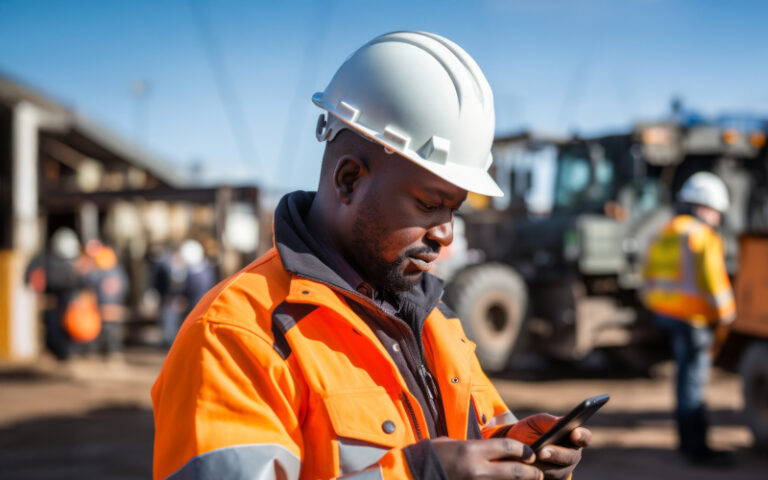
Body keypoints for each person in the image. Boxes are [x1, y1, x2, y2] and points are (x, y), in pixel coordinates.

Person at [152, 31, 591, 480]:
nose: (445, 233)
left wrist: (518, 450)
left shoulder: (435, 321)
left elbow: (475, 434)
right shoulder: (237, 336)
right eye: (428, 204)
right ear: (348, 180)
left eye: (453, 209)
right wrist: (418, 475)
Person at [641, 171, 736, 464]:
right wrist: (728, 314)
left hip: (668, 317)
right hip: (694, 321)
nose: (718, 219)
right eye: (716, 212)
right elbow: (715, 281)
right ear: (703, 207)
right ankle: (698, 450)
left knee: (684, 383)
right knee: (693, 385)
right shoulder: (701, 236)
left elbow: (647, 280)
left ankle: (687, 444)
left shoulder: (667, 231)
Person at [25, 227, 84, 361]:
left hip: (69, 298)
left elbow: (82, 280)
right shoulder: (44, 258)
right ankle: (55, 351)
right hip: (51, 300)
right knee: (52, 326)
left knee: (70, 325)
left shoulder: (75, 260)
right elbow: (30, 274)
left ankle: (68, 351)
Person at [82, 240, 130, 360]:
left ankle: (96, 352)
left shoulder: (97, 272)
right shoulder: (118, 271)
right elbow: (126, 286)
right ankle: (114, 352)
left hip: (102, 308)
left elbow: (87, 284)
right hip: (115, 307)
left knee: (101, 332)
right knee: (113, 331)